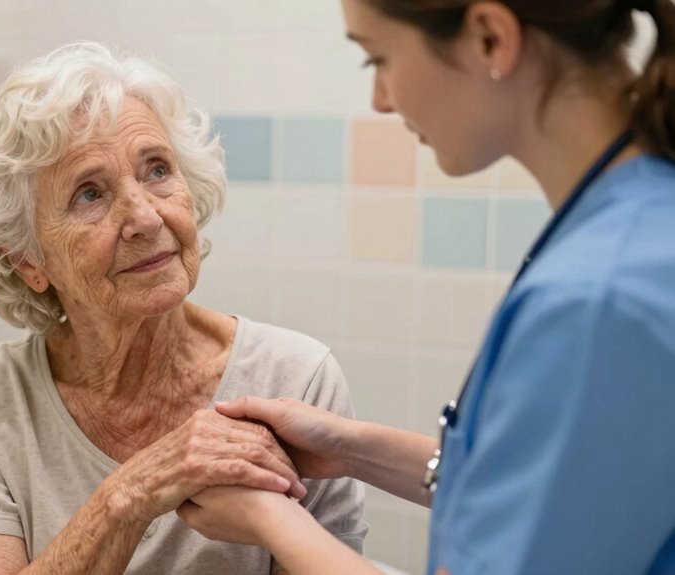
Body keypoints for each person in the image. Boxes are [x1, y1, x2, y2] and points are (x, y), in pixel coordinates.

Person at [177, 1, 675, 574]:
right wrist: (349, 448)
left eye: (378, 60)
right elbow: (566, 493)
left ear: (490, 38)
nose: (381, 100)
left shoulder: (599, 301)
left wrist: (270, 519)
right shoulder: (634, 221)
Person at [0, 42, 368, 575]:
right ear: (27, 262)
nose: (145, 217)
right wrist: (131, 493)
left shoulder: (295, 378)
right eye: (89, 194)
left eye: (157, 170)